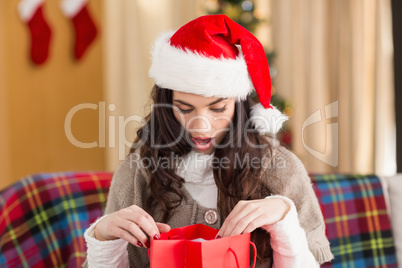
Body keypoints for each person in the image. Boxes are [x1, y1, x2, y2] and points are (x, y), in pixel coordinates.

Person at [84, 14, 333, 267]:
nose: (200, 126)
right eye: (184, 108)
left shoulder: (281, 169)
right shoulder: (137, 172)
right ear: (166, 106)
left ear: (239, 107)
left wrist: (283, 219)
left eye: (217, 109)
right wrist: (104, 236)